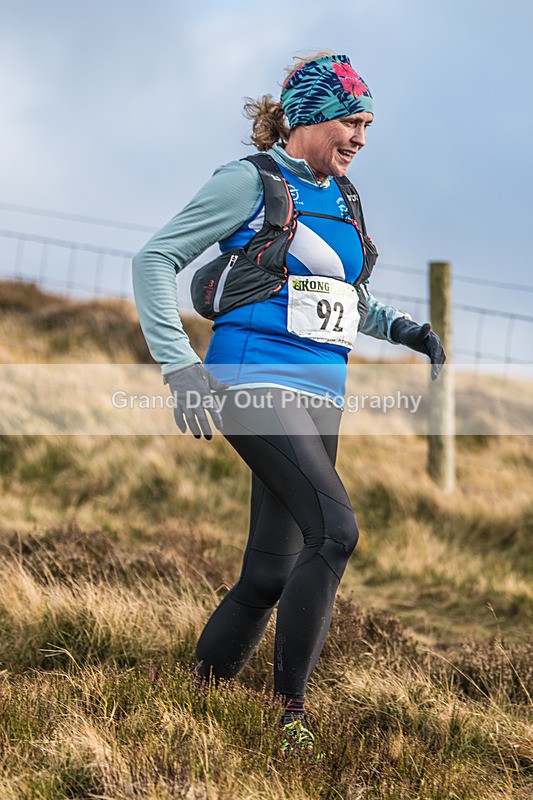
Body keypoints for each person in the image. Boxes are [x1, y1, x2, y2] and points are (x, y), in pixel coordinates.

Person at [132, 52, 445, 754]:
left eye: (367, 123)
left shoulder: (345, 196)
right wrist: (179, 366)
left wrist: (401, 330)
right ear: (306, 116)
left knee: (269, 572)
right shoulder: (247, 182)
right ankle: (291, 716)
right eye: (350, 119)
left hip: (320, 393)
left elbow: (341, 295)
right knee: (335, 533)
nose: (361, 136)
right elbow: (153, 259)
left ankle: (197, 700)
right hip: (250, 382)